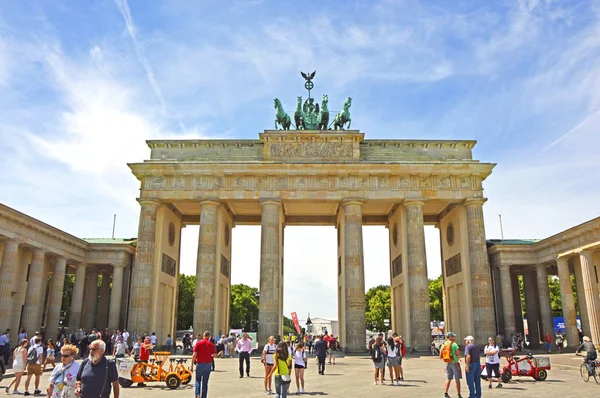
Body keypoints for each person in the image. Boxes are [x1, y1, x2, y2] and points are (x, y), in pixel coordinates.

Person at [192, 331, 216, 398]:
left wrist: (191, 365)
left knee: (197, 380)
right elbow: (214, 355)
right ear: (209, 337)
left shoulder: (198, 343)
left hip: (199, 364)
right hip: (208, 365)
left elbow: (194, 355)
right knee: (205, 382)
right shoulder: (211, 344)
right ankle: (204, 396)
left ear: (203, 336)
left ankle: (197, 395)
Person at [441, 332, 462, 398]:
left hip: (448, 362)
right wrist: (458, 356)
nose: (454, 337)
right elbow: (458, 354)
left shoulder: (444, 344)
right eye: (453, 336)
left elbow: (441, 354)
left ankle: (445, 393)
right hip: (455, 363)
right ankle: (458, 394)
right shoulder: (454, 344)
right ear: (450, 337)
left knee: (448, 378)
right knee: (457, 379)